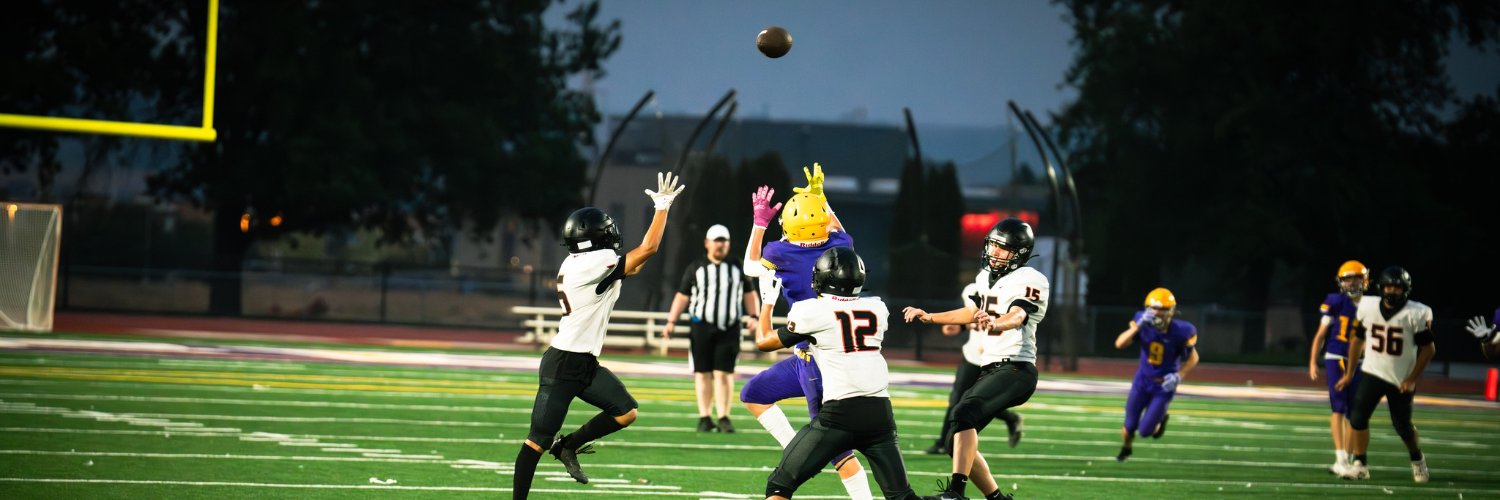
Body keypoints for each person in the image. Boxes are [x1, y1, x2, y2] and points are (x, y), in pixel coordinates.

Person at [511, 172, 684, 499]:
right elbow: (648, 249)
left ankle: (568, 446)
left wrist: (649, 237)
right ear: (593, 237)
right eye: (605, 229)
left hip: (584, 362)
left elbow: (635, 265)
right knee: (536, 441)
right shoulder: (594, 262)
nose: (611, 234)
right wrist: (662, 208)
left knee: (626, 411)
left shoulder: (579, 260)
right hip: (563, 364)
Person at [738, 164, 874, 500]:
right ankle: (796, 450)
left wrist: (759, 223)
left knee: (837, 449)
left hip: (817, 358)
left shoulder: (780, 252)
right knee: (754, 392)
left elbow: (750, 265)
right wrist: (822, 200)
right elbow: (838, 231)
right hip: (822, 352)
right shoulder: (840, 245)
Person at [755, 247, 919, 500]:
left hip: (839, 415)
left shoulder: (812, 311)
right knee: (902, 496)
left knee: (779, 485)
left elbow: (764, 342)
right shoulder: (877, 308)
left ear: (822, 277)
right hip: (880, 415)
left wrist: (767, 302)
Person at [902, 217, 1047, 500]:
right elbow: (970, 312)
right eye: (992, 245)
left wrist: (996, 322)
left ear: (1020, 253)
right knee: (952, 440)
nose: (994, 252)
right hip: (990, 369)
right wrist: (930, 317)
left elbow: (1017, 315)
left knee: (963, 413)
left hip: (1016, 368)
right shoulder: (984, 278)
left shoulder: (1030, 279)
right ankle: (997, 498)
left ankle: (956, 492)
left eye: (1002, 248)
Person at [1335, 266, 1435, 483]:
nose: (1392, 291)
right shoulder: (1368, 306)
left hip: (1401, 379)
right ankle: (1360, 464)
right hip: (1372, 372)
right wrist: (1349, 373)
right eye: (1388, 286)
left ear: (1405, 289)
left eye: (1397, 287)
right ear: (1381, 287)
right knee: (1358, 418)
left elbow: (1429, 349)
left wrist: (1411, 379)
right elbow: (1357, 341)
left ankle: (1417, 458)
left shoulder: (1416, 312)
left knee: (1403, 427)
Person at [662, 223, 758, 433]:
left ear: (728, 244)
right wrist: (671, 321)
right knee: (702, 372)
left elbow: (749, 293)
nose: (720, 245)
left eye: (724, 241)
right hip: (701, 327)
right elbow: (682, 295)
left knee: (725, 373)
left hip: (729, 327)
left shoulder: (737, 266)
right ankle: (705, 416)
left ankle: (723, 416)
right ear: (707, 243)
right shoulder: (696, 267)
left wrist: (754, 316)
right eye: (717, 241)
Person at [923, 284, 1024, 456]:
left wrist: (994, 343)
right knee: (957, 400)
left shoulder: (1012, 289)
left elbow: (1011, 321)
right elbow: (972, 317)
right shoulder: (973, 289)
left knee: (982, 400)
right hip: (972, 356)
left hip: (995, 357)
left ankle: (1010, 418)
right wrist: (960, 326)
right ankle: (943, 443)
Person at [1112, 287, 1199, 462]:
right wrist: (1138, 327)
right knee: (1129, 425)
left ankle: (1161, 419)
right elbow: (1119, 344)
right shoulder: (1141, 321)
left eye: (1162, 309)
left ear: (1171, 311)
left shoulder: (1182, 331)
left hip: (1164, 385)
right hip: (1142, 381)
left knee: (1145, 431)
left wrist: (1179, 376)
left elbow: (1193, 358)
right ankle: (1126, 448)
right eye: (1153, 308)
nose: (1157, 313)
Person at [1306, 260, 1367, 475]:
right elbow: (1320, 335)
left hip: (1361, 362)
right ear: (1340, 282)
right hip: (1336, 357)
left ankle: (1348, 459)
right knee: (1338, 407)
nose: (1351, 283)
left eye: (1355, 278)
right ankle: (1340, 458)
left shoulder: (1372, 305)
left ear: (1364, 280)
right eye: (1347, 279)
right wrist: (1313, 361)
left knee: (1354, 412)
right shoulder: (1335, 301)